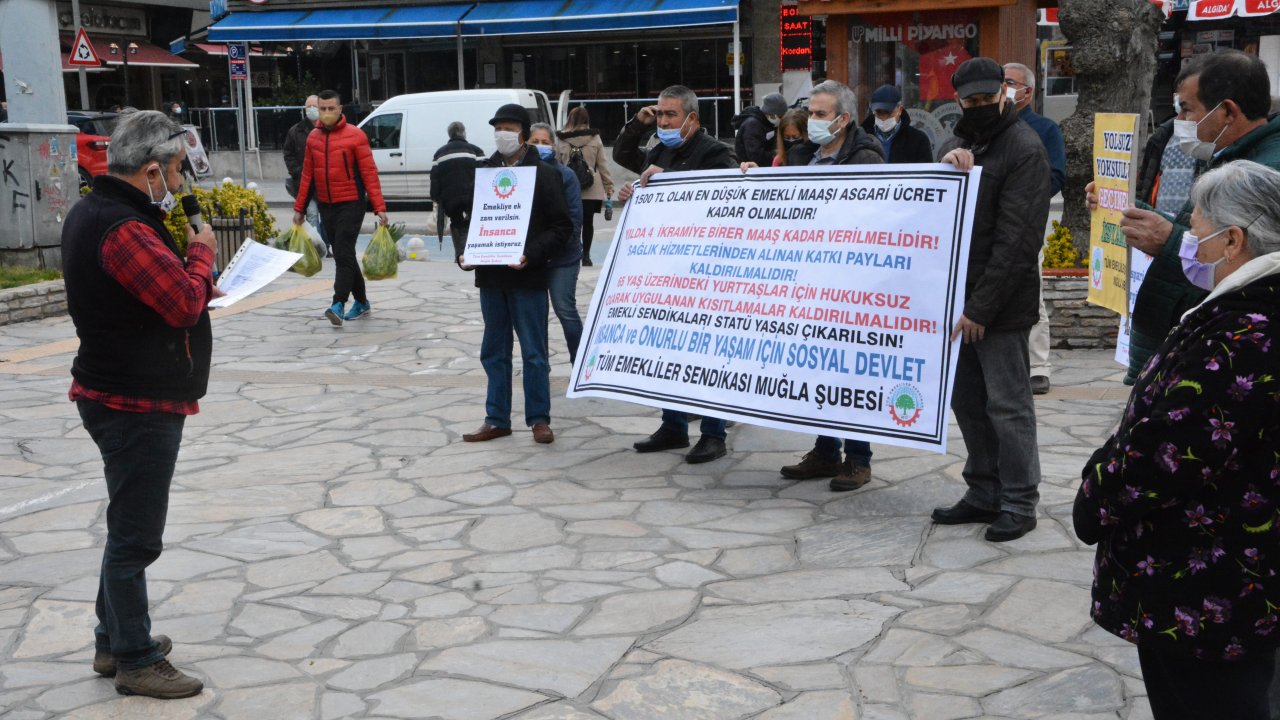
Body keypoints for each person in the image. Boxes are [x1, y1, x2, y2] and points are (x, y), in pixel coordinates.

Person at [1074, 160, 1280, 720]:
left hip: (1209, 591)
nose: (1188, 242)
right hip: (1229, 584)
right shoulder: (1245, 311)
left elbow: (1165, 455)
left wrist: (1093, 494)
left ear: (1233, 240)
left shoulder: (1245, 331)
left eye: (1196, 230)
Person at [61, 110, 215, 699]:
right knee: (135, 539)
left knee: (126, 529)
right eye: (175, 172)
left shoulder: (101, 212)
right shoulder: (121, 227)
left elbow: (159, 293)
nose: (179, 185)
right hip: (133, 401)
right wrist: (200, 257)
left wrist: (194, 279)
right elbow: (179, 305)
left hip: (124, 390)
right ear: (151, 169)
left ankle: (112, 638)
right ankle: (134, 658)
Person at [1088, 51, 1280, 384]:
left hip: (1224, 349)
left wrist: (1170, 240)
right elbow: (1195, 231)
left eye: (1188, 110)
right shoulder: (1228, 155)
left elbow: (1246, 260)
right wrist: (1128, 209)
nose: (1181, 122)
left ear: (1228, 111)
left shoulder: (1263, 169)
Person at [932, 57, 1051, 542]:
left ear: (1005, 93)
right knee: (969, 404)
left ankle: (1019, 501)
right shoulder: (962, 142)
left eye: (988, 98)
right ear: (959, 99)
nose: (980, 106)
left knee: (1008, 406)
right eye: (971, 100)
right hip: (957, 304)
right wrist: (948, 166)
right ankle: (983, 491)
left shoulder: (1024, 148)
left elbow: (1018, 241)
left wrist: (982, 308)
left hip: (998, 307)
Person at [745, 80, 884, 492]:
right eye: (811, 113)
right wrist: (758, 182)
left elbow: (871, 218)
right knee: (820, 372)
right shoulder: (806, 154)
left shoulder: (865, 156)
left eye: (821, 114)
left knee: (849, 374)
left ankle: (858, 458)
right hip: (813, 284)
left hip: (853, 284)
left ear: (843, 118)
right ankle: (825, 450)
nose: (813, 121)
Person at [613, 84, 736, 464]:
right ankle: (673, 425)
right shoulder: (660, 148)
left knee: (706, 356)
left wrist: (666, 179)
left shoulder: (716, 153)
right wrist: (636, 191)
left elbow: (729, 201)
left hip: (705, 273)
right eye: (660, 114)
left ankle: (714, 433)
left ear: (692, 119)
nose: (663, 121)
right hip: (667, 274)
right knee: (666, 351)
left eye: (671, 115)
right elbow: (623, 155)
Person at [459, 104, 573, 446]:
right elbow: (470, 219)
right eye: (497, 128)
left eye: (508, 128)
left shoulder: (545, 173)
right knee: (493, 351)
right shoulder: (484, 172)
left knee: (534, 353)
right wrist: (465, 253)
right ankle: (497, 418)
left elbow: (561, 226)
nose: (501, 134)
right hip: (491, 278)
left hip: (528, 277)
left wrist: (532, 254)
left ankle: (539, 419)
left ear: (522, 132)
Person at [291, 89, 388, 327]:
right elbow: (307, 176)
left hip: (352, 203)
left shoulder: (356, 136)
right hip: (327, 205)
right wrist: (300, 208)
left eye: (330, 109)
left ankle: (337, 303)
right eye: (322, 109)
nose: (325, 113)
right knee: (345, 255)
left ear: (340, 109)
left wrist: (379, 206)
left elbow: (368, 173)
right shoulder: (313, 138)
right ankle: (362, 302)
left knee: (343, 252)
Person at [1004, 62, 1066, 396]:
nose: (1004, 88)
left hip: (1026, 223)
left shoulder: (1044, 130)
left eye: (1010, 82)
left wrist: (1021, 194)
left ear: (1027, 91)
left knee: (1033, 293)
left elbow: (1056, 176)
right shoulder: (988, 127)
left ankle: (1038, 366)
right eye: (1000, 82)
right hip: (991, 224)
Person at [530, 121, 585, 364]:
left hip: (563, 256)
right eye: (535, 142)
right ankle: (541, 367)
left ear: (553, 145)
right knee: (536, 315)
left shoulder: (565, 175)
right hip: (533, 257)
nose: (541, 146)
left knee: (564, 309)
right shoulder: (523, 173)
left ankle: (580, 362)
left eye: (545, 142)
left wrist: (555, 249)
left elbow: (574, 218)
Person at [555, 106, 614, 267]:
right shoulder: (595, 138)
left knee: (572, 223)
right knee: (588, 223)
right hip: (591, 187)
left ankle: (572, 253)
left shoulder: (561, 139)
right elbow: (602, 164)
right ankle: (586, 256)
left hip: (568, 188)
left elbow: (556, 165)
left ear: (570, 119)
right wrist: (608, 185)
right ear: (586, 120)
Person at [430, 121, 485, 263]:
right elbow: (484, 174)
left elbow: (435, 178)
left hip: (450, 198)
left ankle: (459, 253)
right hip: (472, 195)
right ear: (464, 133)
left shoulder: (439, 153)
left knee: (456, 222)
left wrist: (435, 197)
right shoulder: (476, 151)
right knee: (472, 220)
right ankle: (472, 250)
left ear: (449, 134)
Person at [283, 94, 327, 256]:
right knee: (312, 215)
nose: (312, 110)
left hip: (323, 183)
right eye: (308, 106)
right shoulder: (296, 131)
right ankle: (316, 248)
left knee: (326, 217)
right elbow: (288, 153)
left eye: (314, 106)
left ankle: (325, 245)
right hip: (304, 182)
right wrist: (297, 171)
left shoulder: (326, 129)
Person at [860, 84, 933, 164]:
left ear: (900, 110)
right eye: (879, 113)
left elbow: (925, 174)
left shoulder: (918, 140)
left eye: (889, 113)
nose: (884, 119)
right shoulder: (861, 138)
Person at [732, 92, 788, 168]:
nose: (782, 120)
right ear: (773, 115)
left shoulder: (767, 123)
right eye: (781, 117)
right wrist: (777, 154)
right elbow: (756, 156)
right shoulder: (753, 125)